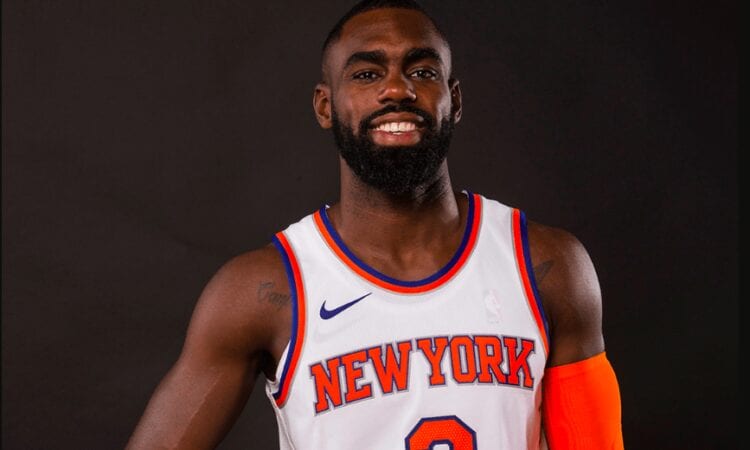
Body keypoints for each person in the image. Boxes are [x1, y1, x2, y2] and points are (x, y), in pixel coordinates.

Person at [126, 1, 624, 448]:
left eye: (422, 71)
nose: (397, 90)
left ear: (454, 100)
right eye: (366, 74)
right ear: (325, 106)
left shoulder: (545, 265)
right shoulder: (265, 290)